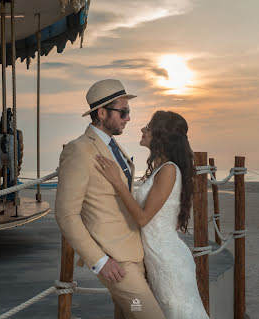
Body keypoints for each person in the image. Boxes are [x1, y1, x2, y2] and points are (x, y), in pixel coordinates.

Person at [55, 79, 165, 319]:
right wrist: (99, 261)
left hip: (136, 254)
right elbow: (66, 214)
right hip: (116, 264)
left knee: (129, 316)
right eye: (123, 112)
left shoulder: (114, 147)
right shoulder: (79, 150)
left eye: (129, 112)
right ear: (102, 113)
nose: (128, 118)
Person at [95, 111, 209, 318]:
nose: (142, 129)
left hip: (168, 262)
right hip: (156, 259)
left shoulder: (169, 171)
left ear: (161, 136)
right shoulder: (161, 169)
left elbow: (142, 218)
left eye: (148, 127)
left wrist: (117, 182)